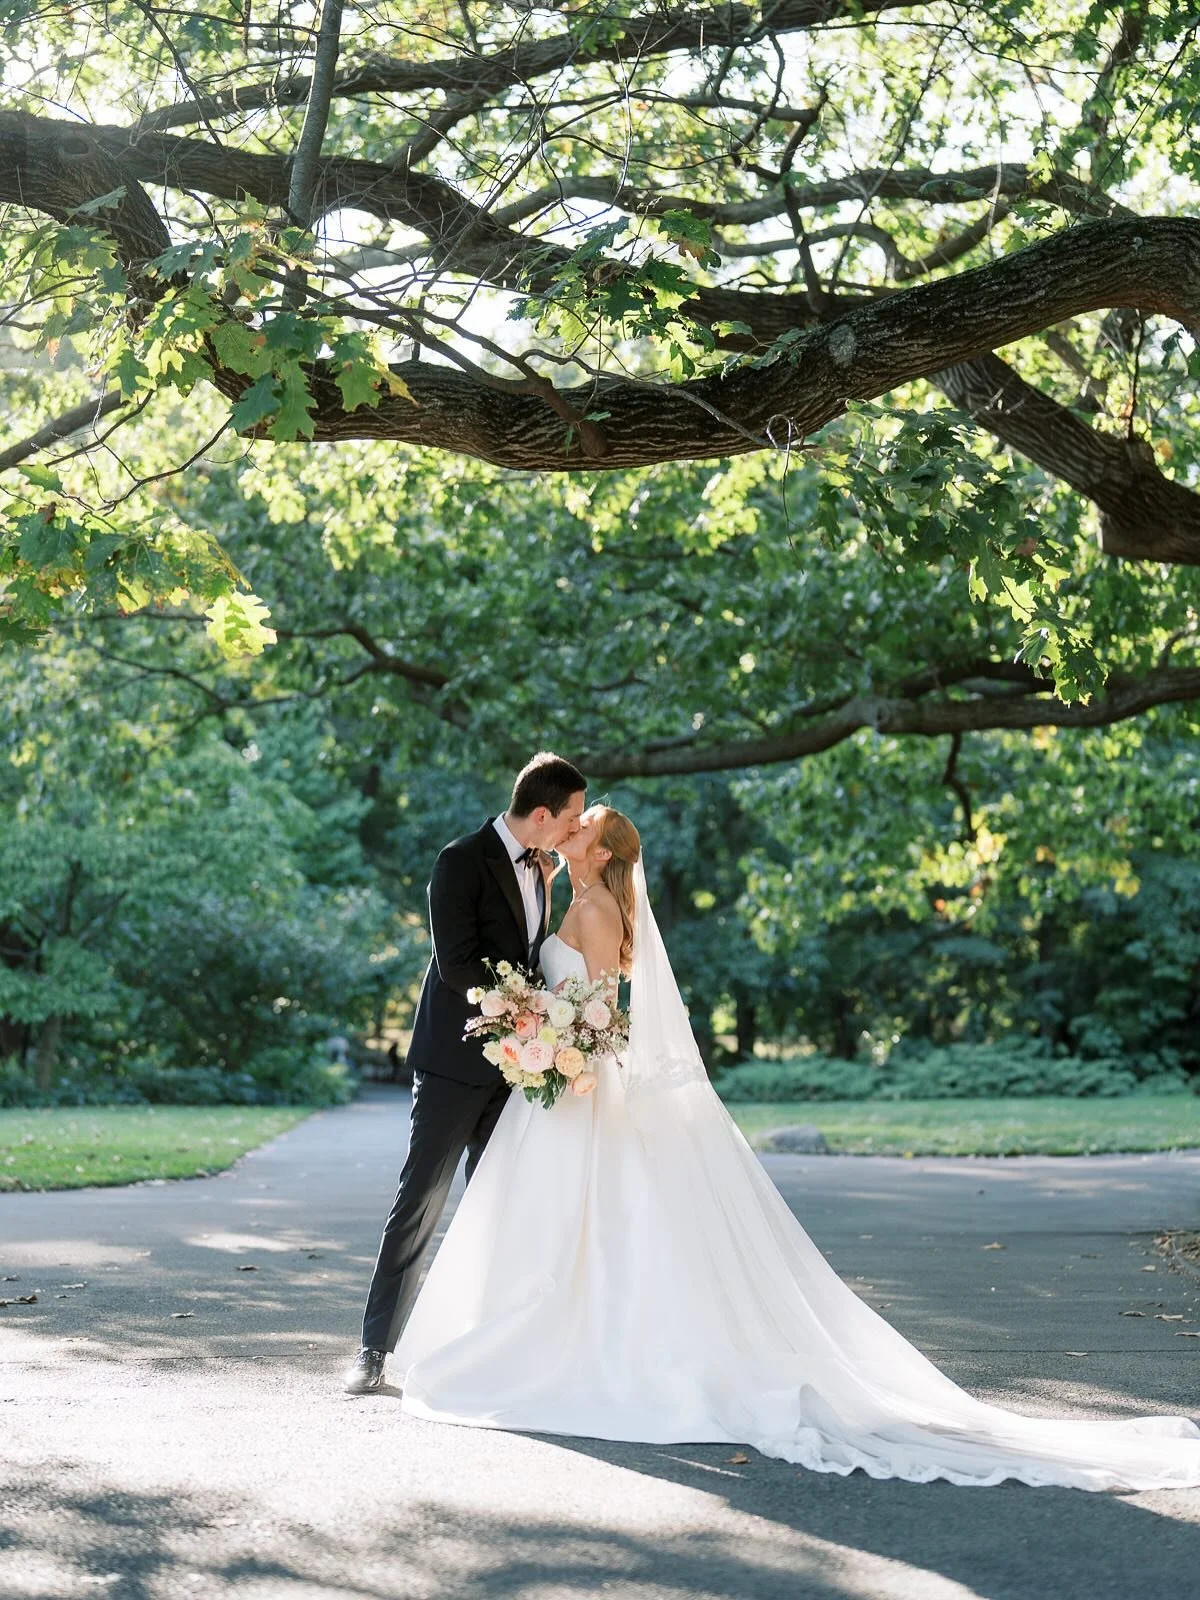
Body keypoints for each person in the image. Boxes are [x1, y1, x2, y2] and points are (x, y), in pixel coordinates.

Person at [379, 803, 1200, 1491]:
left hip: (578, 1086)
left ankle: (574, 1347)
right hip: (559, 1086)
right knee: (571, 1225)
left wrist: (554, 1042)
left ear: (599, 849)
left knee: (586, 1226)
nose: (568, 838)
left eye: (581, 829)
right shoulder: (578, 895)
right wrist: (542, 1037)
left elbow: (593, 1010)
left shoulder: (592, 908)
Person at [343, 752, 586, 1395]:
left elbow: (532, 953)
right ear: (542, 814)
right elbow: (456, 964)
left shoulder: (545, 870)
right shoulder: (458, 860)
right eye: (572, 816)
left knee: (500, 1206)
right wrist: (536, 1004)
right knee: (420, 1201)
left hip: (516, 1070)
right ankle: (374, 1350)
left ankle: (485, 1351)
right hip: (453, 1062)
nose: (575, 827)